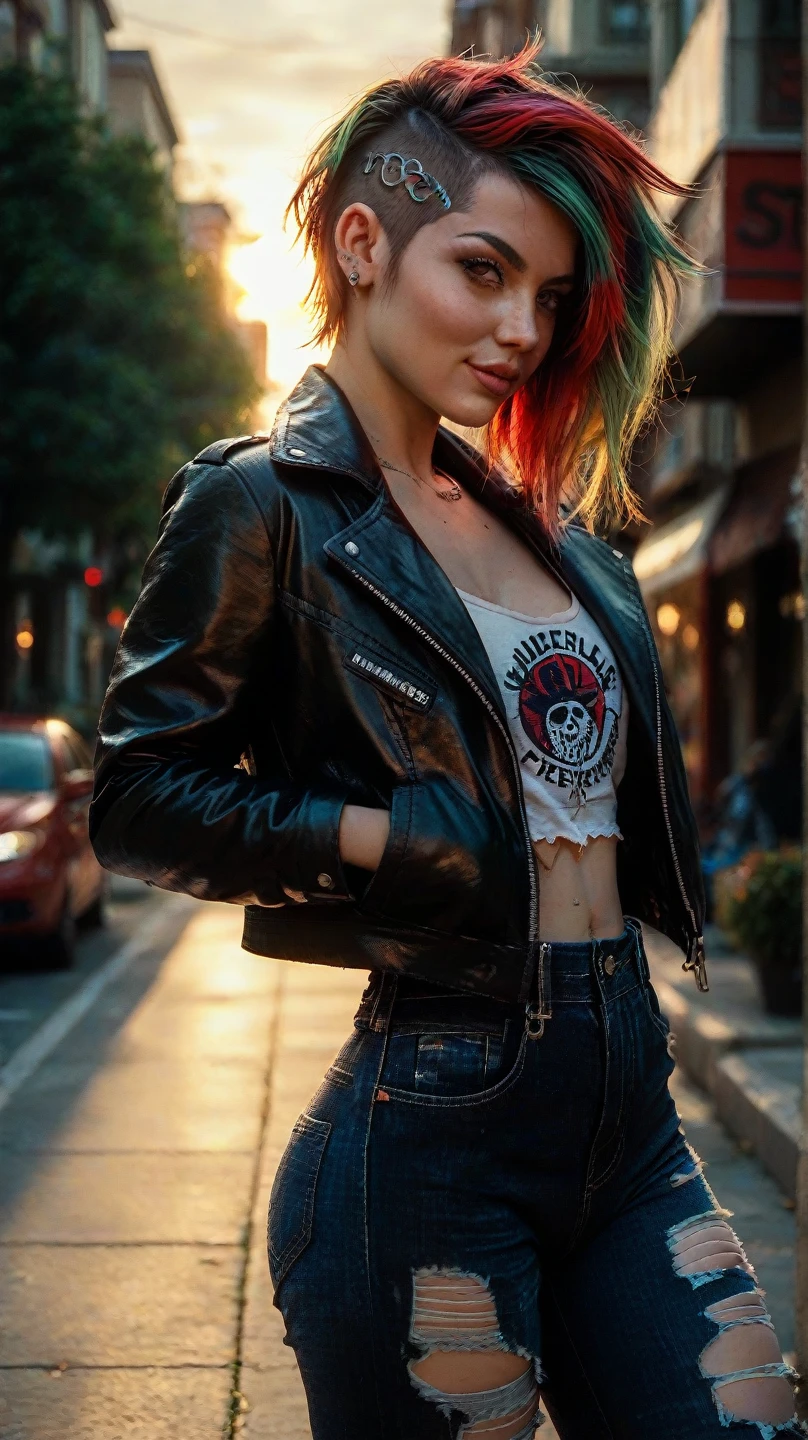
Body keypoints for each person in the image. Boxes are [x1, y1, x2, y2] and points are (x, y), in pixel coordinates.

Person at [90, 47, 804, 1440]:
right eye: (482, 271)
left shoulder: (559, 538)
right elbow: (135, 794)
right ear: (364, 244)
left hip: (630, 1110)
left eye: (545, 295)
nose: (523, 329)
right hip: (432, 1122)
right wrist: (374, 837)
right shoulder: (263, 505)